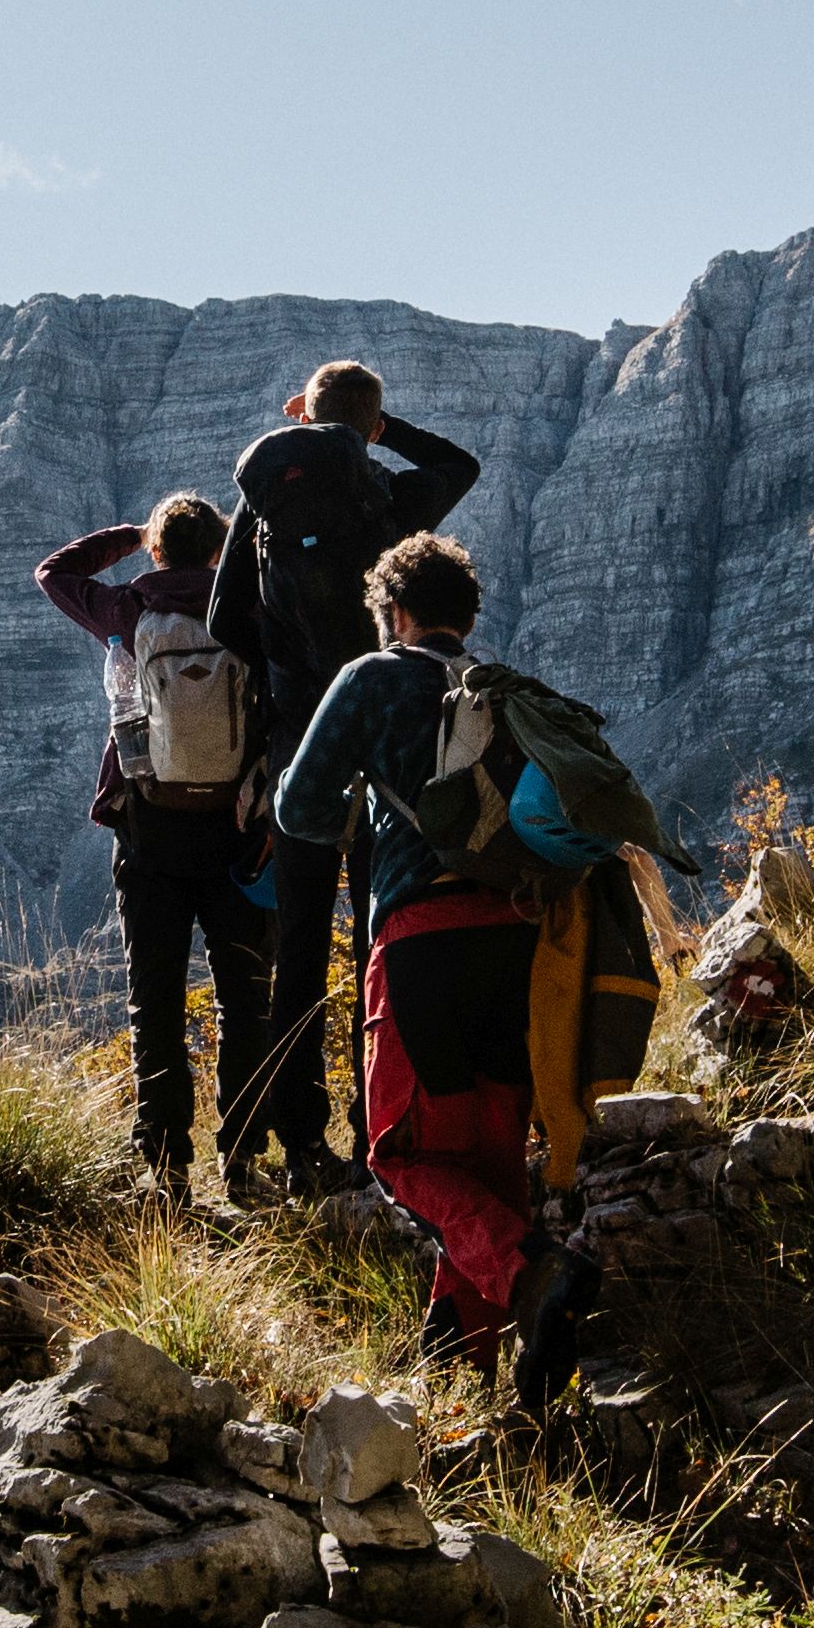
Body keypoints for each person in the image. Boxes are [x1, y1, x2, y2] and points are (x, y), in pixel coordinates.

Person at [266, 530, 546, 1350]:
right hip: (514, 935)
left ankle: (532, 1273)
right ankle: (471, 1352)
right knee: (491, 1153)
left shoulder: (371, 679)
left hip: (419, 932)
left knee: (398, 1153)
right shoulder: (508, 689)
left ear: (395, 613)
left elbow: (299, 808)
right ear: (466, 614)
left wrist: (363, 816)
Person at [210, 359, 480, 1199]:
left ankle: (298, 1146)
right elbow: (461, 465)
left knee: (296, 952)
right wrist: (378, 434)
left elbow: (225, 619)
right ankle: (379, 1137)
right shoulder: (386, 498)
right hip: (385, 760)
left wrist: (292, 683)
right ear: (367, 423)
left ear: (304, 418)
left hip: (301, 748)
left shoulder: (265, 497)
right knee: (375, 945)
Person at [37, 493, 271, 1202]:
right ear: (218, 552)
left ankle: (167, 1168)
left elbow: (54, 571)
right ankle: (243, 1159)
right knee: (245, 1000)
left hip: (150, 833)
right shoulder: (253, 609)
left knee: (156, 1002)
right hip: (239, 836)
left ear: (161, 552)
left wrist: (130, 538)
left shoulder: (129, 610)